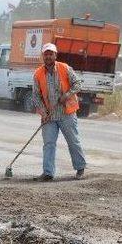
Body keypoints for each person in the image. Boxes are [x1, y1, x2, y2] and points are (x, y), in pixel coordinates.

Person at [31, 43, 86, 181]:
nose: (48, 56)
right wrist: (43, 113)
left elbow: (78, 84)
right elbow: (36, 96)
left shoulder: (65, 68)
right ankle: (48, 172)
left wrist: (67, 95)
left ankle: (80, 168)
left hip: (66, 113)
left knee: (73, 141)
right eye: (46, 54)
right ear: (43, 56)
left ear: (55, 55)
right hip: (49, 116)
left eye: (51, 54)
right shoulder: (37, 74)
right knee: (48, 144)